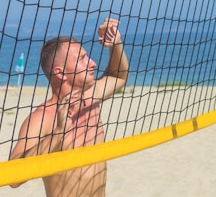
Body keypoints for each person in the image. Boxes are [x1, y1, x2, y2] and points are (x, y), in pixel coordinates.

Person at [9, 18, 129, 197]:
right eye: (82, 58)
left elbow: (118, 76)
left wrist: (115, 43)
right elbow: (13, 177)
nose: (93, 63)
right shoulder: (43, 117)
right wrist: (58, 134)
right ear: (60, 72)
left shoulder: (90, 97)